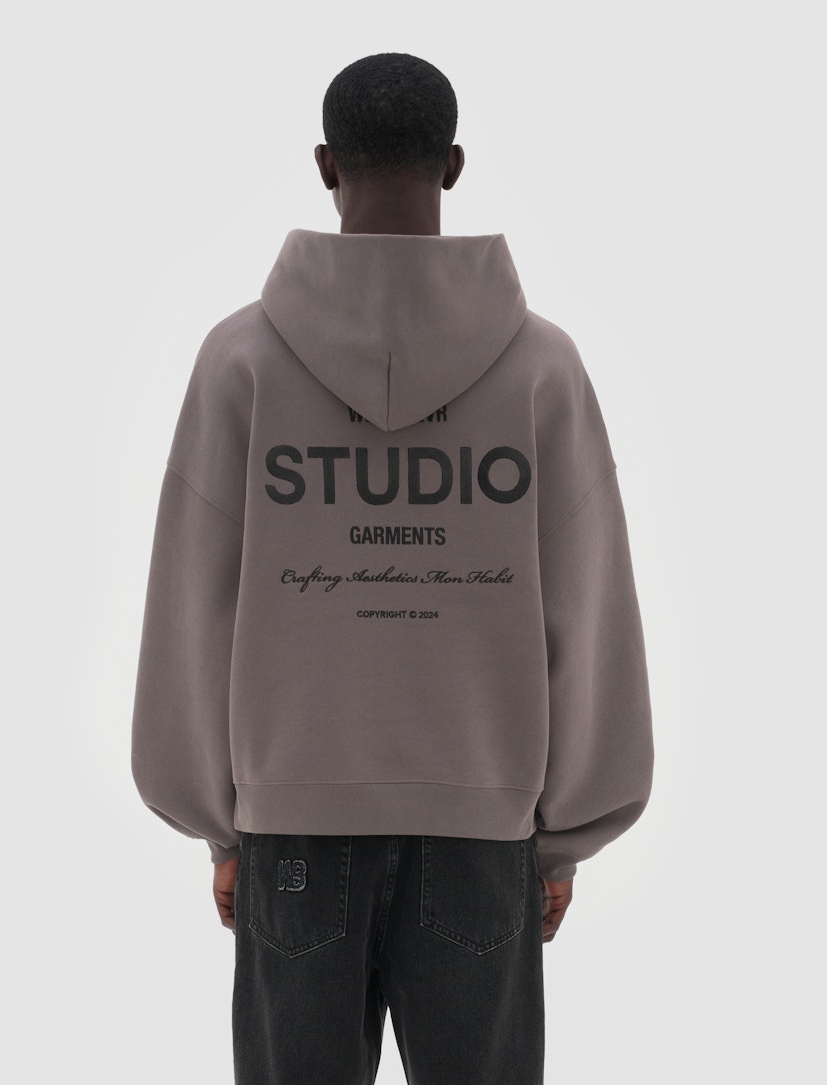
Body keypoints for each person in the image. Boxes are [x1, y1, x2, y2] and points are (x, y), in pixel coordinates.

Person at [130, 52, 654, 1085]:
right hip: (481, 833)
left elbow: (193, 606)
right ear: (452, 165)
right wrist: (562, 836)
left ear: (326, 165)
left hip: (291, 827)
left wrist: (219, 825)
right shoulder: (542, 370)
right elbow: (588, 610)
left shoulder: (240, 363)